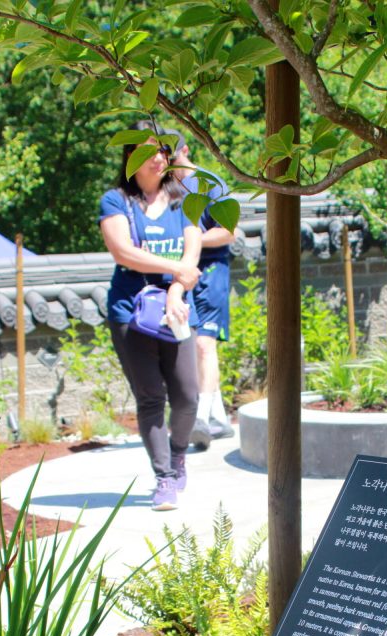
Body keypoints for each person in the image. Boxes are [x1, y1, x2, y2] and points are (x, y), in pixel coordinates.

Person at [99, 121, 202, 511]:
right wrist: (174, 268)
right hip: (131, 312)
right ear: (130, 156)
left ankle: (178, 456)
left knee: (187, 396)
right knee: (150, 398)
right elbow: (123, 252)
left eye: (163, 149)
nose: (158, 157)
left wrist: (176, 287)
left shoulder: (185, 199)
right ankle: (164, 479)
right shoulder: (116, 200)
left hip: (175, 310)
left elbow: (191, 258)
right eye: (148, 150)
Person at [169, 136, 236, 449]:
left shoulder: (210, 184)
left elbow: (228, 233)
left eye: (170, 155)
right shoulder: (164, 190)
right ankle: (219, 419)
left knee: (204, 344)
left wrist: (192, 240)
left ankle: (201, 417)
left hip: (209, 271)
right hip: (177, 273)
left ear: (185, 150)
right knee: (188, 343)